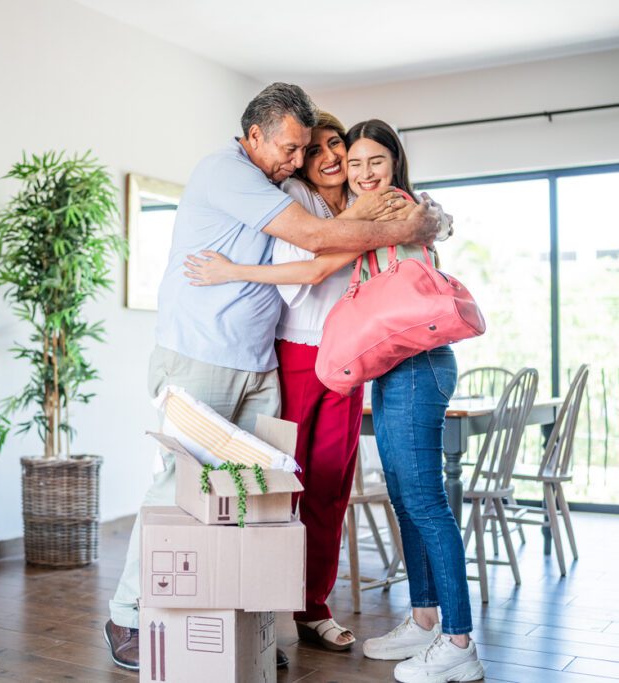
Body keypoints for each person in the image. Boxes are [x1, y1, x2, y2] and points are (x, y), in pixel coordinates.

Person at [103, 84, 443, 673]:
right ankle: (127, 615)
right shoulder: (226, 172)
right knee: (178, 489)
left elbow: (331, 234)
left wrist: (419, 215)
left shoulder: (274, 185)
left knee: (253, 502)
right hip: (202, 356)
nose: (297, 160)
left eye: (305, 149)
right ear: (254, 135)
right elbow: (316, 243)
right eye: (290, 148)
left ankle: (249, 629)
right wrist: (408, 224)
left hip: (257, 363)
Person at [183, 119, 483, 683]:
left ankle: (452, 638)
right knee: (393, 496)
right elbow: (320, 257)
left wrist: (421, 213)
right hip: (365, 362)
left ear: (388, 161)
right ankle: (421, 621)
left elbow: (332, 256)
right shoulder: (303, 201)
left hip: (396, 363)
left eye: (347, 152)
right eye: (314, 150)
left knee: (404, 499)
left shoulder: (385, 204)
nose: (338, 161)